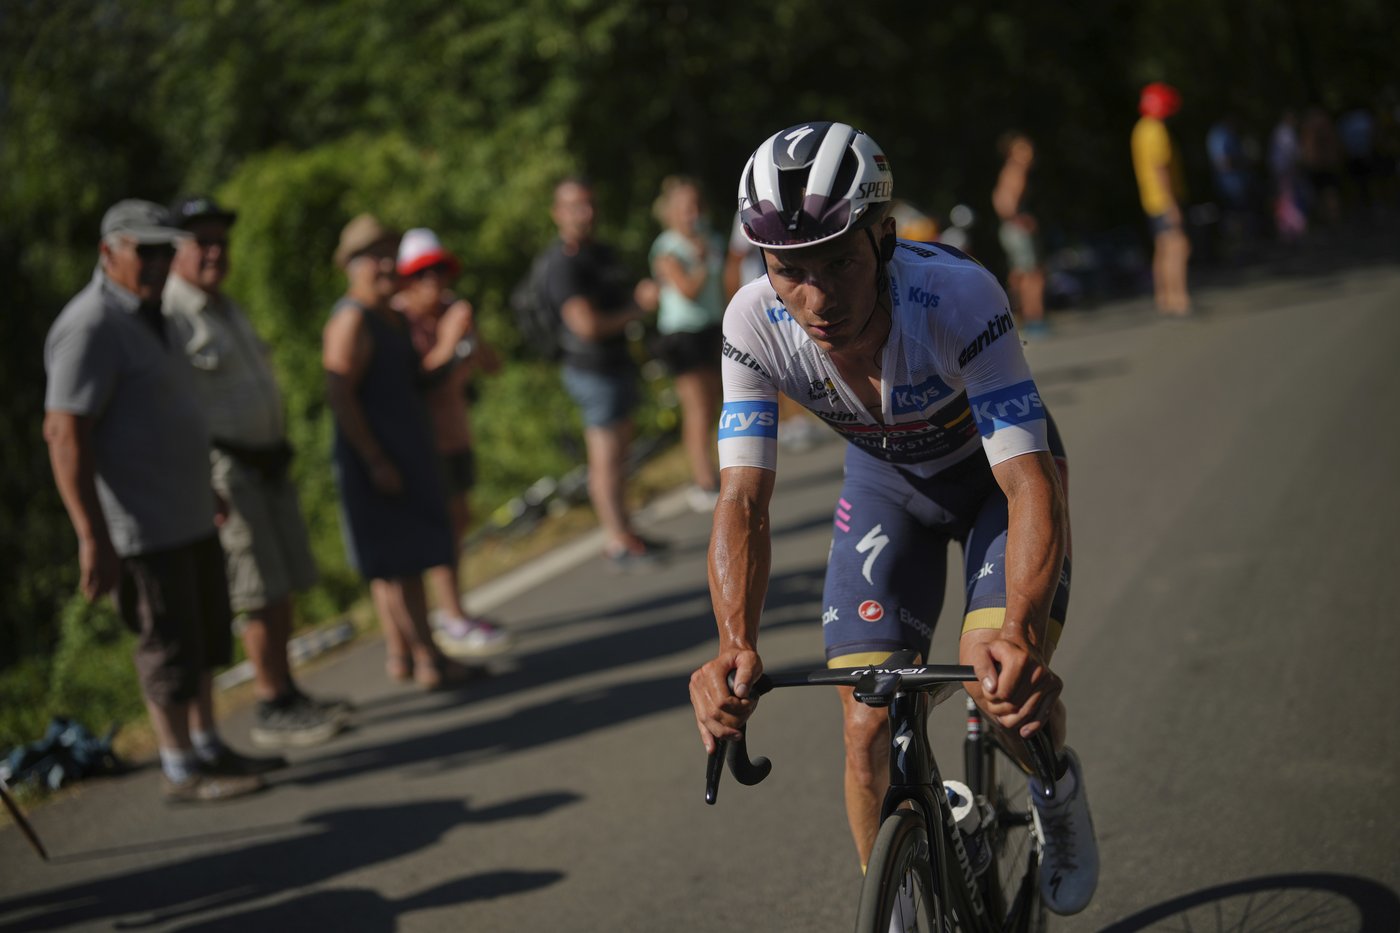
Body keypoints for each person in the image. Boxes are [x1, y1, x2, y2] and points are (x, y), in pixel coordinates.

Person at [687, 122, 1098, 915]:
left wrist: (1018, 628)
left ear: (884, 237)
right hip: (887, 486)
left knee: (996, 681)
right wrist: (734, 642)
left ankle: (1055, 786)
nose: (816, 299)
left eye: (839, 262)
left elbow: (1028, 483)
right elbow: (741, 500)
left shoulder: (958, 298)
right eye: (788, 270)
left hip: (995, 483)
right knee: (865, 722)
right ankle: (900, 908)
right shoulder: (750, 324)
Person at [43, 199, 266, 803]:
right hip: (142, 525)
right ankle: (180, 766)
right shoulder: (90, 324)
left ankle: (208, 745)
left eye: (166, 250)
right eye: (145, 250)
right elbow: (64, 433)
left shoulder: (154, 312)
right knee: (165, 645)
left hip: (188, 510)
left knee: (204, 638)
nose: (159, 262)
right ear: (108, 252)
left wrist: (204, 484)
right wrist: (92, 535)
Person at [162, 195, 348, 750]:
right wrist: (200, 478)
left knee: (281, 584)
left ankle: (288, 690)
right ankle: (270, 704)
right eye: (202, 242)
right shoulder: (173, 315)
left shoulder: (225, 306)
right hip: (228, 469)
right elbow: (175, 408)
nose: (215, 252)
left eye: (221, 241)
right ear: (175, 250)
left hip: (266, 461)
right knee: (257, 590)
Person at [322, 215, 471, 689]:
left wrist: (450, 345)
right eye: (375, 257)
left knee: (408, 564)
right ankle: (428, 659)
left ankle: (416, 654)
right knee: (398, 567)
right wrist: (375, 459)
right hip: (378, 464)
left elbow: (417, 380)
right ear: (352, 265)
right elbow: (340, 393)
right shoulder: (352, 319)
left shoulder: (390, 316)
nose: (387, 265)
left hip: (406, 456)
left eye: (390, 254)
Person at [393, 227, 512, 659]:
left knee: (459, 521)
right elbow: (418, 380)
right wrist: (447, 338)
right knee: (441, 529)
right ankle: (450, 616)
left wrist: (471, 334)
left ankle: (453, 609)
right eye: (422, 273)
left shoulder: (451, 312)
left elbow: (492, 366)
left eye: (440, 271)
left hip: (456, 434)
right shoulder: (400, 319)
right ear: (407, 279)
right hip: (426, 443)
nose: (434, 281)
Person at [538, 178, 663, 569]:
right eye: (575, 206)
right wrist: (637, 308)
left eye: (590, 203)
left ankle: (627, 531)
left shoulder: (599, 253)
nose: (586, 213)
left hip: (616, 364)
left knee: (620, 454)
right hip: (591, 371)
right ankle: (618, 541)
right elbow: (586, 326)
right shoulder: (563, 264)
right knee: (605, 458)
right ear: (557, 213)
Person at [649, 176, 725, 511]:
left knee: (719, 403)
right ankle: (703, 480)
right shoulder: (667, 248)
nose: (692, 214)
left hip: (713, 327)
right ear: (670, 213)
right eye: (684, 208)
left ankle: (723, 470)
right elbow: (688, 290)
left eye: (696, 206)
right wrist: (704, 262)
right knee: (698, 408)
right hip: (682, 334)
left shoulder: (711, 238)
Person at [1132, 82, 1192, 316]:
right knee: (1179, 246)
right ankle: (1179, 299)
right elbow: (1161, 167)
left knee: (1162, 248)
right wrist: (1172, 203)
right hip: (1163, 199)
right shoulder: (1156, 130)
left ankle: (1164, 298)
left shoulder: (1141, 129)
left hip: (1150, 199)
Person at [992, 132, 1049, 336]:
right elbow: (1003, 202)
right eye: (1022, 149)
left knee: (1020, 275)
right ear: (1011, 152)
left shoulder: (1009, 170)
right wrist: (1019, 219)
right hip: (1017, 230)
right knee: (1033, 275)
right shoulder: (1016, 171)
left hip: (1010, 229)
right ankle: (1035, 320)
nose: (1028, 152)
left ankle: (1019, 317)